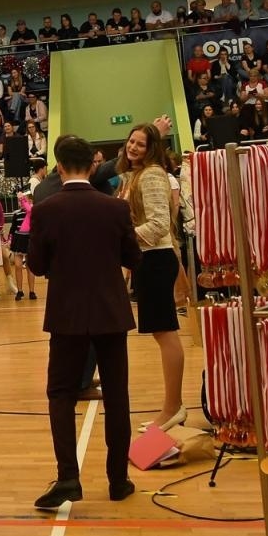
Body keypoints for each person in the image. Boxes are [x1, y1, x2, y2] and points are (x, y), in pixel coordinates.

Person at [27, 136, 141, 511]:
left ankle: (68, 477)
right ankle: (118, 480)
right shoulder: (115, 208)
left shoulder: (46, 209)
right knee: (117, 395)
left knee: (60, 394)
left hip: (66, 315)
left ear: (59, 167)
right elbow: (132, 258)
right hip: (111, 312)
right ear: (93, 166)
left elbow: (37, 266)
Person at [114, 125, 184, 432]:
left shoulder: (153, 174)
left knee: (166, 333)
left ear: (152, 148)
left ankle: (173, 408)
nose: (133, 147)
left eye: (141, 144)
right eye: (131, 142)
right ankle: (172, 407)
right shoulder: (133, 175)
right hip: (147, 260)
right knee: (162, 333)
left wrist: (121, 242)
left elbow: (158, 225)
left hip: (156, 259)